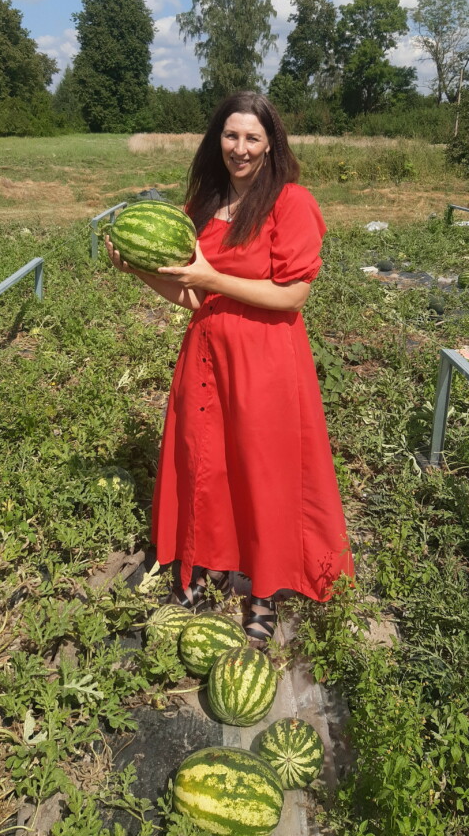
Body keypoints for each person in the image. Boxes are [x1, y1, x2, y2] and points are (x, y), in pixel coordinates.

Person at [106, 91, 354, 645]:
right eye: (230, 136)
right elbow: (193, 296)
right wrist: (136, 271)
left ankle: (263, 591)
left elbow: (292, 296)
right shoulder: (206, 204)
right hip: (206, 355)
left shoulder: (289, 202)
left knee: (260, 472)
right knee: (205, 467)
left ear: (270, 145)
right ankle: (200, 568)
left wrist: (212, 279)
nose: (239, 148)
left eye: (252, 138)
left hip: (266, 360)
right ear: (216, 139)